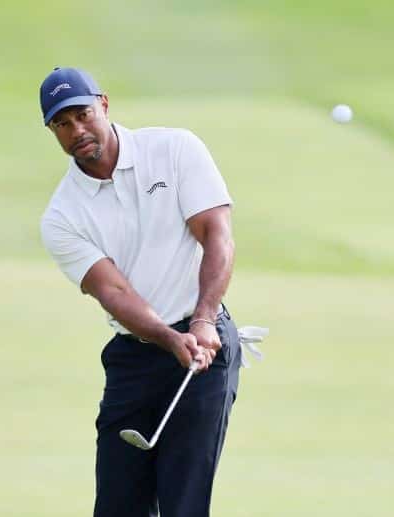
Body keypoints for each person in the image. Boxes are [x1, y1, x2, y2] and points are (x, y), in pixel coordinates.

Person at [37, 67, 241, 517]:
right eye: (62, 124)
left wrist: (204, 319)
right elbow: (115, 293)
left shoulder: (173, 149)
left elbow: (217, 236)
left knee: (183, 503)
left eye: (83, 114)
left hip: (204, 348)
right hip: (137, 354)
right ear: (53, 131)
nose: (77, 131)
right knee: (116, 506)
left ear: (104, 105)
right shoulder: (63, 216)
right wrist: (170, 340)